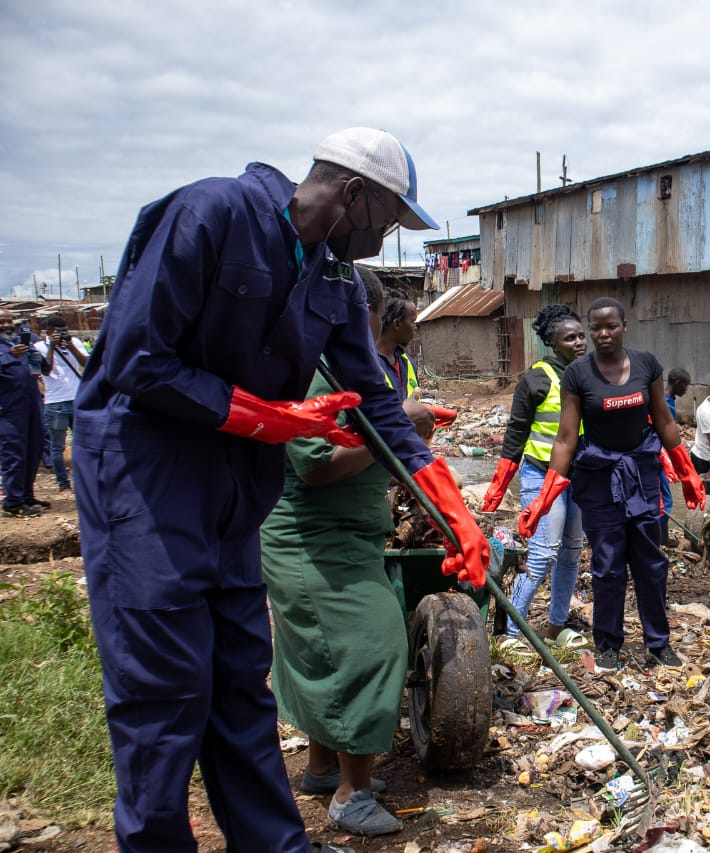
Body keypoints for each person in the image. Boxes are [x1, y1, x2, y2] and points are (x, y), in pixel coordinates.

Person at [73, 127, 489, 853]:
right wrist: (268, 415)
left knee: (239, 683)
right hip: (147, 475)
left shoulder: (328, 279)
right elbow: (139, 359)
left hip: (238, 486)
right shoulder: (212, 213)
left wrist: (456, 515)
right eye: (390, 217)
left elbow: (379, 407)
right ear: (353, 194)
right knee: (165, 691)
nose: (388, 237)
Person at [260, 270, 432, 836]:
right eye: (379, 317)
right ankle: (350, 795)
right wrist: (394, 431)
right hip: (314, 540)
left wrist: (401, 434)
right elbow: (316, 466)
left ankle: (321, 765)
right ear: (366, 315)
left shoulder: (338, 366)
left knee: (321, 652)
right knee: (373, 647)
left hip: (342, 536)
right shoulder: (315, 371)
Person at [519, 297, 705, 670]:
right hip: (600, 477)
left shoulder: (646, 365)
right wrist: (546, 494)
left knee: (651, 562)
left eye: (611, 326)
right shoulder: (578, 374)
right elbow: (566, 437)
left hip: (642, 474)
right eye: (597, 328)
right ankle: (608, 646)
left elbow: (665, 422)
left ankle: (658, 643)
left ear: (624, 327)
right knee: (606, 566)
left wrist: (687, 473)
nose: (603, 334)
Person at [482, 304, 588, 642]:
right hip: (541, 476)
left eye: (581, 335)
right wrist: (498, 488)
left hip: (579, 479)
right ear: (553, 344)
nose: (580, 342)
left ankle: (556, 626)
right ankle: (511, 633)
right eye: (570, 338)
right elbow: (515, 434)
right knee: (543, 554)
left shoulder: (591, 374)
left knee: (571, 553)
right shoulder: (536, 378)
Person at [0, 309, 47, 517]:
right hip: (8, 410)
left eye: (9, 320)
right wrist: (10, 356)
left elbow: (45, 369)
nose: (7, 324)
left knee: (33, 451)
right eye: (2, 321)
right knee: (13, 455)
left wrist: (39, 352)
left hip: (32, 406)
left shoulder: (21, 343)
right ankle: (12, 503)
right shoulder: (7, 349)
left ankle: (27, 495)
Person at [34, 316, 87, 492]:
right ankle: (63, 483)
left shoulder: (74, 342)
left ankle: (84, 481)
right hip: (55, 403)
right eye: (58, 331)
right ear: (48, 332)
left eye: (64, 330)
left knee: (83, 443)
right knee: (57, 447)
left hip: (78, 399)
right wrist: (52, 348)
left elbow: (86, 363)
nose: (62, 334)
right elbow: (45, 370)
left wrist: (70, 346)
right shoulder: (39, 347)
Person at [659, 367, 691, 540]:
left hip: (662, 457)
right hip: (659, 458)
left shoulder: (667, 401)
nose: (686, 390)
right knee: (664, 498)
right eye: (685, 386)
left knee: (664, 497)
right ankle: (661, 539)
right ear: (677, 383)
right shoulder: (663, 403)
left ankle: (661, 537)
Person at [377, 292, 420, 399]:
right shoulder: (368, 363)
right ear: (397, 324)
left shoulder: (408, 362)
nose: (415, 327)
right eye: (412, 322)